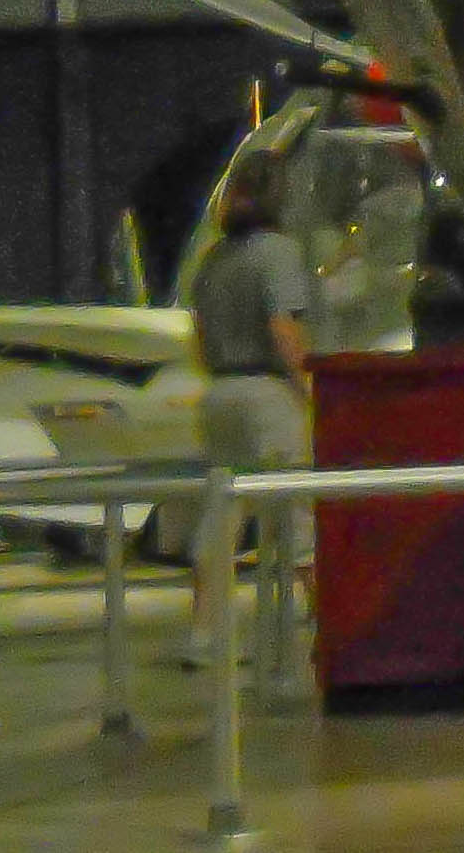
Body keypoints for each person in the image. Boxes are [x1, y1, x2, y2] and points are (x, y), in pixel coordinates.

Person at [185, 152, 313, 661]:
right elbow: (283, 328)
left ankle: (203, 634)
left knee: (220, 518)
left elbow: (197, 340)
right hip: (266, 394)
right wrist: (305, 387)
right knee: (300, 515)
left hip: (217, 393)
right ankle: (331, 625)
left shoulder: (213, 260)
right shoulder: (279, 252)